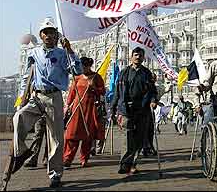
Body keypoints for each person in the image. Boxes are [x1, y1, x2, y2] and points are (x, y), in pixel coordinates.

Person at [12, 17, 83, 188]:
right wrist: (21, 98)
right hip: (36, 96)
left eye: (52, 33)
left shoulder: (62, 53)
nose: (49, 36)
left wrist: (70, 51)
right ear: (41, 35)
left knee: (55, 137)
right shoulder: (34, 52)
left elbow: (78, 71)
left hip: (54, 97)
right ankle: (21, 152)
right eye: (46, 33)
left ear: (56, 36)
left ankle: (55, 173)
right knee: (18, 117)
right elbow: (25, 77)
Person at [111, 47, 158, 175]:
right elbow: (117, 92)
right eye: (136, 55)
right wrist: (113, 108)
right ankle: (125, 164)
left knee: (139, 138)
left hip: (142, 110)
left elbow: (153, 90)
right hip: (125, 109)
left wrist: (153, 100)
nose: (138, 57)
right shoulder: (124, 72)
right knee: (127, 137)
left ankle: (133, 164)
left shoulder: (147, 73)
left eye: (141, 55)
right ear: (131, 56)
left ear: (143, 58)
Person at [63, 57, 106, 167]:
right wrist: (67, 106)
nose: (82, 69)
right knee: (72, 134)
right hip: (77, 108)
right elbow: (72, 93)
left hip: (90, 108)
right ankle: (67, 158)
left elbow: (102, 91)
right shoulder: (77, 78)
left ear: (88, 66)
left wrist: (94, 88)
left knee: (87, 135)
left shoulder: (96, 77)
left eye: (84, 67)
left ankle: (84, 158)